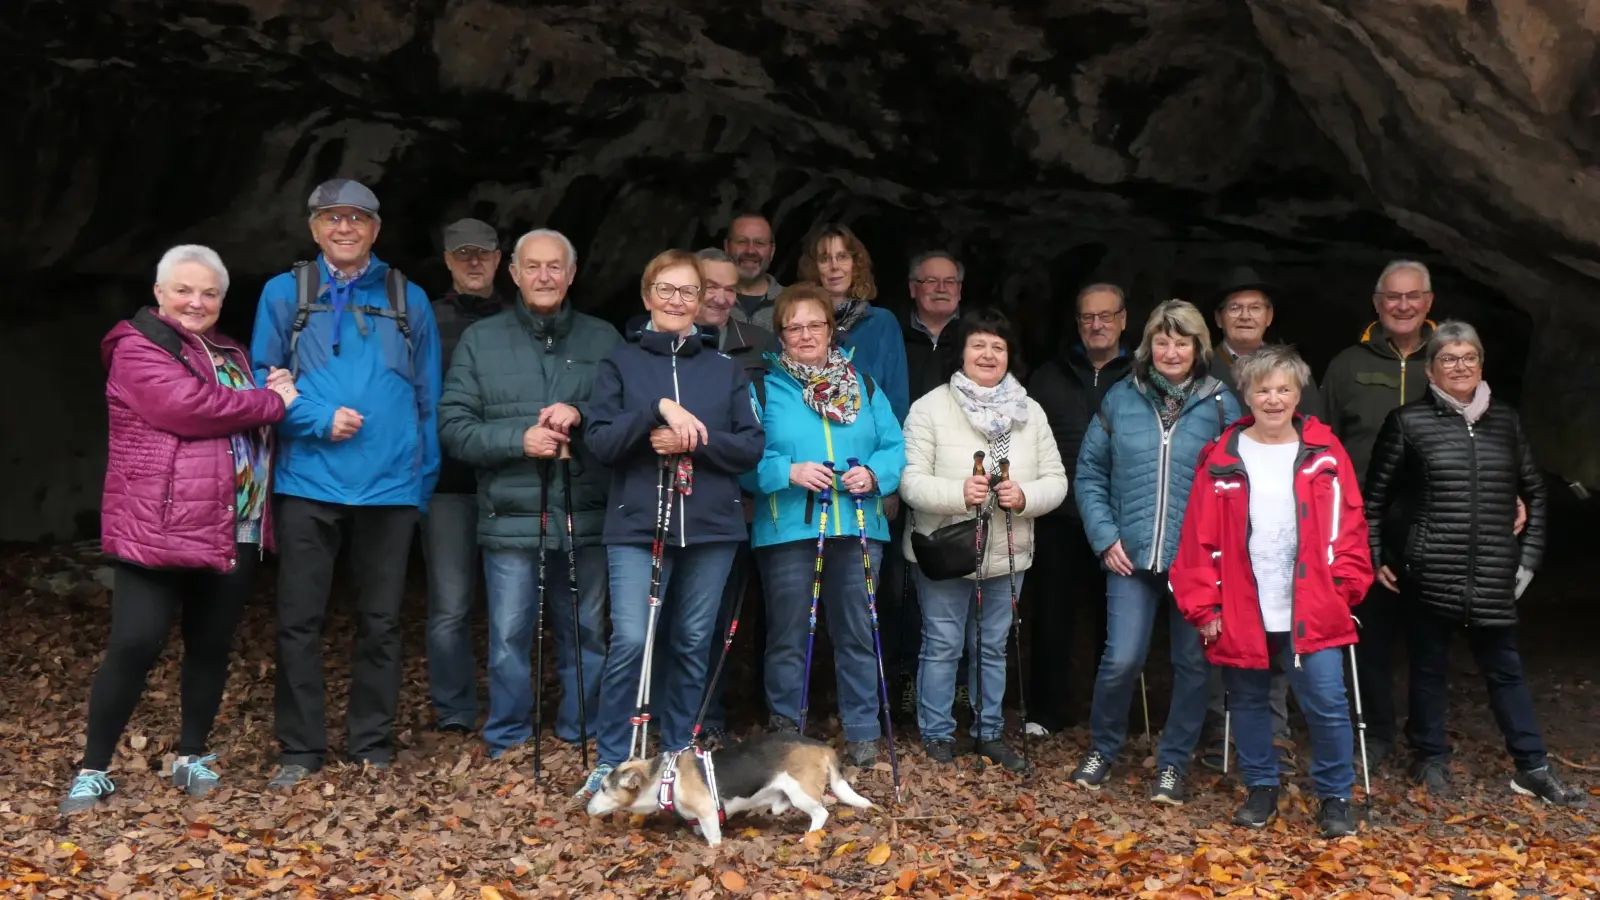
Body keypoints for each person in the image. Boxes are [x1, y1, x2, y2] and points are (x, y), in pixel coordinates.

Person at [61, 245, 296, 814]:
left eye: (209, 293)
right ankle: (93, 769)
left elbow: (237, 411)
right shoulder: (137, 349)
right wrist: (271, 400)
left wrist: (267, 392)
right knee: (136, 641)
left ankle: (193, 754)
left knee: (211, 644)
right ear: (160, 293)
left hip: (231, 523)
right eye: (184, 290)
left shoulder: (231, 350)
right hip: (158, 524)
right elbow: (187, 407)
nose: (197, 302)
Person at [250, 178, 442, 788]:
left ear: (375, 230)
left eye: (357, 218)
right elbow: (261, 379)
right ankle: (301, 749)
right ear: (313, 228)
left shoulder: (409, 297)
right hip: (308, 480)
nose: (344, 228)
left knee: (382, 620)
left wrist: (422, 484)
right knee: (298, 619)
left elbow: (427, 399)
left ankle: (371, 743)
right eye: (332, 218)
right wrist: (313, 419)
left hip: (389, 488)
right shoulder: (286, 293)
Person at [1364, 321, 1583, 806]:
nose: (1460, 367)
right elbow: (1374, 498)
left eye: (1469, 358)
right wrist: (1378, 554)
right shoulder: (1407, 423)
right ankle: (1429, 758)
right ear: (1431, 370)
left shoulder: (1505, 421)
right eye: (1449, 359)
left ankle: (1533, 768)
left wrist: (1527, 558)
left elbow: (1535, 494)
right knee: (1427, 666)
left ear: (1481, 365)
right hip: (1429, 568)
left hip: (1492, 569)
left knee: (1505, 669)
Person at [578, 250, 765, 795]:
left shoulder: (725, 368)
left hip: (710, 525)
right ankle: (611, 759)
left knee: (691, 640)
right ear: (647, 296)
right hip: (637, 524)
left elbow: (750, 446)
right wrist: (657, 408)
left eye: (688, 292)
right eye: (667, 290)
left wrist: (692, 438)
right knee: (632, 639)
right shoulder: (620, 363)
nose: (678, 301)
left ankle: (678, 752)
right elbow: (603, 443)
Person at [1170, 345, 1372, 837]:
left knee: (1326, 702)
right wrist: (1205, 606)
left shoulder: (1325, 453)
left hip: (1313, 603)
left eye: (1284, 389)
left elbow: (1351, 526)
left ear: (1299, 394)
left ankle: (1335, 797)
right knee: (1249, 702)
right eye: (1263, 389)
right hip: (1243, 604)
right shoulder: (1221, 455)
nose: (1274, 399)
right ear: (1246, 394)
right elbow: (1197, 536)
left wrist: (1344, 588)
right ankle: (1262, 788)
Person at [438, 229, 620, 759]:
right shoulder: (482, 339)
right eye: (533, 267)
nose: (544, 276)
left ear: (571, 273)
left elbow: (627, 416)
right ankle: (509, 734)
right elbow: (454, 426)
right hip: (511, 512)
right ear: (513, 274)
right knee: (509, 635)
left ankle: (581, 728)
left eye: (555, 267)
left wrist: (582, 414)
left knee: (587, 631)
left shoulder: (603, 338)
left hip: (585, 510)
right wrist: (518, 440)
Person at [1070, 299, 1242, 805]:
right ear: (1149, 345)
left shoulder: (1220, 404)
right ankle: (1103, 748)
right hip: (1130, 554)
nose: (1171, 351)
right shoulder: (1123, 398)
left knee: (1192, 663)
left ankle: (1173, 764)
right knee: (1122, 658)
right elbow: (1090, 474)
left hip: (1195, 561)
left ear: (1197, 347)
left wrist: (1217, 557)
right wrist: (1105, 537)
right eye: (1162, 341)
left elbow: (1237, 484)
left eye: (1182, 341)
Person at [741, 282, 907, 767]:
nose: (806, 334)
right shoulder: (762, 388)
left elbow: (894, 446)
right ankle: (785, 731)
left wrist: (875, 474)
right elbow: (743, 457)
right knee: (789, 633)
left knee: (857, 631)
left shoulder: (864, 384)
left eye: (815, 324)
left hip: (857, 524)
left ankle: (862, 731)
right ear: (781, 334)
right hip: (789, 525)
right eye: (794, 327)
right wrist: (786, 472)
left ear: (831, 330)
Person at [900, 308, 1068, 772]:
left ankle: (988, 732)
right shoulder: (929, 408)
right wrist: (957, 493)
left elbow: (1056, 479)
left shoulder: (1029, 412)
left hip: (1009, 551)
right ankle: (937, 733)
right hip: (946, 550)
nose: (989, 354)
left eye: (998, 346)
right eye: (979, 345)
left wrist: (1025, 495)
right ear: (961, 353)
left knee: (992, 645)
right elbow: (909, 481)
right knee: (942, 643)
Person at [1198, 265, 1320, 770]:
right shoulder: (1201, 367)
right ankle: (1215, 736)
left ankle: (1273, 740)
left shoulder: (1290, 371)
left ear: (1269, 316)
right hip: (1217, 514)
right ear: (1219, 318)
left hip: (1276, 524)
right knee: (1219, 628)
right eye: (1235, 308)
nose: (1245, 315)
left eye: (1255, 307)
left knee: (1272, 634)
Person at [1022, 283, 1131, 735]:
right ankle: (1047, 713)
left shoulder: (1142, 375)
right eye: (1088, 317)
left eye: (1107, 316)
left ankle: (1112, 717)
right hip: (1060, 518)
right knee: (1052, 618)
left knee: (1119, 623)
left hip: (1123, 520)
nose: (1097, 324)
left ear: (1124, 320)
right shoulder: (1048, 376)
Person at [424, 217, 508, 735]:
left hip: (509, 480)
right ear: (448, 260)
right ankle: (454, 708)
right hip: (447, 483)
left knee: (511, 606)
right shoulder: (425, 319)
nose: (473, 261)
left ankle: (508, 705)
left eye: (483, 253)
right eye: (462, 254)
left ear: (500, 260)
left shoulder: (520, 318)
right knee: (451, 606)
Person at [691, 247, 774, 743]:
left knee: (726, 619)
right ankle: (681, 718)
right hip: (676, 502)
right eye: (709, 287)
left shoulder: (759, 346)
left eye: (729, 288)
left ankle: (719, 718)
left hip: (739, 505)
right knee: (682, 620)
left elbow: (764, 428)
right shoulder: (651, 343)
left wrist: (753, 485)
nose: (721, 298)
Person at [796, 223, 910, 423]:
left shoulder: (882, 323)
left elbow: (897, 399)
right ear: (813, 269)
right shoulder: (798, 324)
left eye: (842, 257)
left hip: (871, 442)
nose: (834, 267)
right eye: (825, 259)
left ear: (855, 265)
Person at [723, 212, 783, 329]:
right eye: (742, 242)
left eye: (759, 243)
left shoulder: (792, 301)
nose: (750, 251)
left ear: (772, 251)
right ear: (726, 247)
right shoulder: (708, 301)